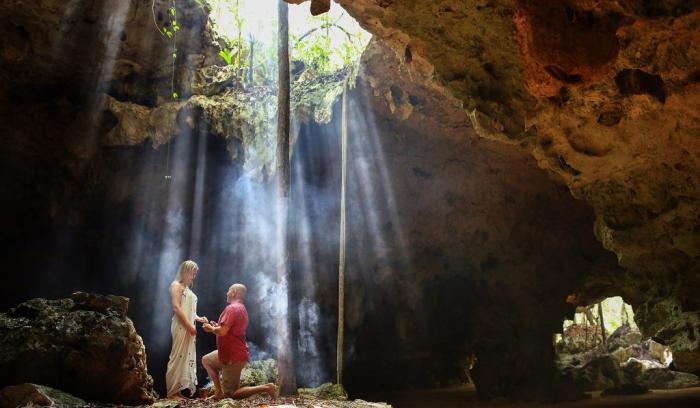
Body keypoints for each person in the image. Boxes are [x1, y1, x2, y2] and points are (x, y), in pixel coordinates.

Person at [202, 283, 277, 399]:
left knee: (232, 394)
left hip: (233, 356)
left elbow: (222, 332)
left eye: (228, 290)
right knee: (206, 360)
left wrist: (211, 328)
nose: (227, 293)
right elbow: (228, 329)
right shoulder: (241, 308)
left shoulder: (232, 308)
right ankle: (218, 392)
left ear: (233, 293)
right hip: (228, 352)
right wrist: (216, 326)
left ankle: (267, 387)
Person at [166, 260, 208, 399]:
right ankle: (171, 392)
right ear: (186, 271)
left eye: (195, 274)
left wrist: (198, 318)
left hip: (188, 325)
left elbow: (188, 310)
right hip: (180, 325)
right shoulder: (176, 285)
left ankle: (177, 391)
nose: (194, 276)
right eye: (193, 273)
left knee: (184, 358)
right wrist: (189, 326)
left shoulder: (187, 289)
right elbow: (177, 307)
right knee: (177, 356)